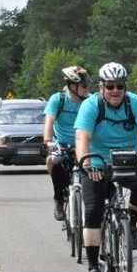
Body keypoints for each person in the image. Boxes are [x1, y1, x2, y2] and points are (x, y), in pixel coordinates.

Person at [74, 62, 137, 272]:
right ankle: (93, 267)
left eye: (119, 86)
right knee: (92, 211)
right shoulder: (91, 105)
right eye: (109, 86)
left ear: (125, 87)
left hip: (127, 160)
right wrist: (86, 163)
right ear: (101, 87)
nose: (115, 91)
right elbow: (82, 138)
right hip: (96, 163)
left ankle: (131, 225)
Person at [42, 66, 90, 220]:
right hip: (62, 144)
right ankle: (58, 200)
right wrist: (48, 141)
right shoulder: (58, 99)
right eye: (83, 86)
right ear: (72, 86)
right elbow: (49, 121)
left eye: (87, 85)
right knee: (55, 162)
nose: (86, 89)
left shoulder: (90, 100)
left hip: (83, 145)